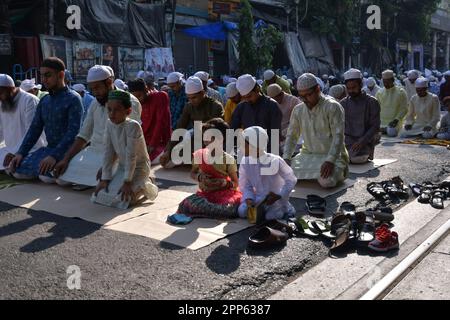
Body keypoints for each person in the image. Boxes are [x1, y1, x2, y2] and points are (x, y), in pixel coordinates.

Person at [54, 65, 142, 188]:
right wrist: (66, 159)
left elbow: (129, 141)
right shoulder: (95, 102)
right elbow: (83, 135)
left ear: (109, 82)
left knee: (110, 181)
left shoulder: (129, 102)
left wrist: (108, 165)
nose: (95, 93)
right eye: (92, 89)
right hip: (94, 152)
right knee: (61, 179)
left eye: (97, 88)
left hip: (119, 156)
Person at [8, 57, 83, 183]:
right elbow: (34, 129)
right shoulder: (45, 100)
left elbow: (73, 133)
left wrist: (55, 156)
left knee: (49, 177)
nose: (43, 80)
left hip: (68, 151)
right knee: (17, 169)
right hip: (49, 149)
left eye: (48, 75)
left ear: (61, 75)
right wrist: (21, 152)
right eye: (42, 76)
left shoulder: (73, 99)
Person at [93, 90, 158, 209]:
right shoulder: (109, 124)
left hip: (139, 167)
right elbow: (109, 151)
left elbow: (131, 155)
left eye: (117, 110)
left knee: (124, 200)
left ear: (128, 111)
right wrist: (105, 178)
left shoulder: (133, 126)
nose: (112, 114)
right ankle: (136, 185)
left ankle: (145, 185)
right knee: (100, 196)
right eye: (109, 109)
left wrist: (127, 182)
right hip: (123, 167)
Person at [283, 73, 349, 189]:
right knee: (282, 174)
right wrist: (286, 158)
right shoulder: (298, 110)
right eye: (301, 96)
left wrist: (330, 160)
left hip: (333, 156)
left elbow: (338, 137)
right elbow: (292, 136)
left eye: (308, 95)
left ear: (318, 89)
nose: (305, 100)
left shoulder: (333, 107)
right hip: (307, 155)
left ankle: (339, 171)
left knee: (327, 181)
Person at [176, 118, 242, 219]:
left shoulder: (228, 159)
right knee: (184, 205)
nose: (206, 140)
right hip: (205, 195)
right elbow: (192, 173)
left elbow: (236, 183)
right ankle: (209, 210)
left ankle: (210, 210)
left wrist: (224, 183)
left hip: (224, 195)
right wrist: (200, 177)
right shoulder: (199, 155)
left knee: (228, 209)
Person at [160, 76, 224, 169]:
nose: (191, 101)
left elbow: (216, 133)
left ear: (202, 93)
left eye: (194, 97)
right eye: (189, 98)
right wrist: (168, 151)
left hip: (213, 140)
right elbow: (179, 129)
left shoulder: (216, 106)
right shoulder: (189, 106)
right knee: (173, 155)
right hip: (196, 137)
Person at [238, 126, 297, 221]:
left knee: (271, 217)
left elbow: (291, 180)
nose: (241, 148)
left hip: (276, 201)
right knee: (242, 211)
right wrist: (249, 199)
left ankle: (288, 210)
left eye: (244, 145)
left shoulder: (275, 160)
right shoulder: (245, 161)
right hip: (257, 199)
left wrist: (279, 195)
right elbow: (246, 185)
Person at [0, 74, 46, 171]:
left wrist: (15, 152)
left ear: (11, 89)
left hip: (31, 149)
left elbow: (31, 132)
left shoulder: (29, 100)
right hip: (10, 150)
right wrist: (11, 151)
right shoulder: (2, 103)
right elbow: (0, 130)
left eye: (0, 93)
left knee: (17, 165)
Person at [231, 74, 282, 152]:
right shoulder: (241, 107)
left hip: (268, 152)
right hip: (248, 152)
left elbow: (275, 136)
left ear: (257, 89)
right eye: (244, 97)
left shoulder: (272, 106)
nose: (247, 100)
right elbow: (232, 132)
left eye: (249, 96)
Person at [340, 69, 381, 164]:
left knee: (357, 159)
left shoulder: (372, 102)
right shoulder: (343, 103)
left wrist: (362, 141)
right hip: (347, 141)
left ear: (361, 85)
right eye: (348, 88)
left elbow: (375, 126)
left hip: (365, 140)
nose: (351, 91)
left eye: (353, 87)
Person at [128, 78, 171, 164]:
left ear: (146, 89)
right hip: (144, 143)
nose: (138, 100)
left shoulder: (160, 96)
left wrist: (152, 145)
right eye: (135, 97)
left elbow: (160, 122)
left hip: (160, 143)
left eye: (139, 96)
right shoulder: (134, 103)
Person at [376, 70, 408, 137]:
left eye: (388, 82)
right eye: (384, 82)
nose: (386, 84)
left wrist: (396, 120)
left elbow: (404, 109)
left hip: (394, 122)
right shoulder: (379, 92)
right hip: (381, 122)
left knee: (391, 132)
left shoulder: (401, 92)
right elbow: (375, 108)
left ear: (393, 80)